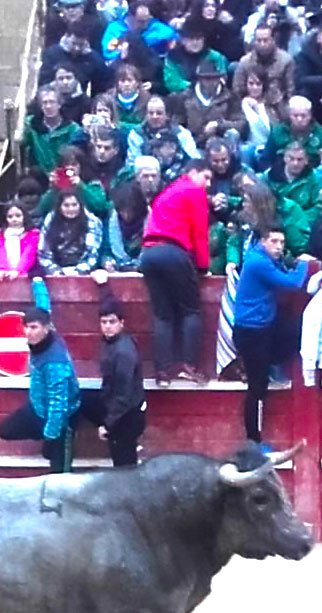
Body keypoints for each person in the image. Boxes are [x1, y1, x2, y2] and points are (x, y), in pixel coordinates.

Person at [231, 226, 311, 444]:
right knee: (257, 387)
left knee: (297, 330)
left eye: (282, 242)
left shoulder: (261, 259)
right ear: (263, 242)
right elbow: (293, 283)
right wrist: (304, 263)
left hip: (261, 327)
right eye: (274, 242)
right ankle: (253, 441)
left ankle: (273, 364)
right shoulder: (258, 262)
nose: (279, 247)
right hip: (252, 332)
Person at [139, 157, 212, 387]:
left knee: (163, 315)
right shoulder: (194, 190)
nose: (208, 184)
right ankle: (188, 366)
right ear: (194, 172)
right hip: (174, 251)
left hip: (149, 253)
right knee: (191, 311)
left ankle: (162, 372)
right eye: (206, 177)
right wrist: (202, 266)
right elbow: (200, 232)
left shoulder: (168, 191)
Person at [0, 307, 81, 473]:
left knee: (60, 474)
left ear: (46, 328)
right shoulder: (49, 336)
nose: (28, 332)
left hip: (62, 420)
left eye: (33, 327)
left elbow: (58, 404)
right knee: (4, 430)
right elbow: (44, 304)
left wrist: (50, 436)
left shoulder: (54, 362)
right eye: (26, 327)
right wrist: (37, 280)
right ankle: (45, 433)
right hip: (38, 408)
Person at [78, 270, 146, 466]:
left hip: (128, 415)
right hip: (118, 403)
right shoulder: (114, 341)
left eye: (112, 322)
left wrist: (107, 425)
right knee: (79, 398)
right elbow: (109, 305)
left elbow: (123, 395)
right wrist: (103, 286)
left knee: (123, 465)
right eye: (104, 322)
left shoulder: (123, 352)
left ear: (121, 324)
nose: (107, 326)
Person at [38, 189, 104, 275]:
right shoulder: (50, 221)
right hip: (56, 271)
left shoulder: (92, 221)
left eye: (74, 205)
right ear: (59, 207)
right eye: (66, 205)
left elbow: (93, 254)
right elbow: (44, 253)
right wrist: (55, 271)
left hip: (85, 271)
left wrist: (79, 272)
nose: (71, 209)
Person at [0, 202, 41, 278]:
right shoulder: (1, 235)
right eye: (10, 217)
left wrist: (18, 270)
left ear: (24, 216)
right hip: (7, 272)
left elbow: (29, 254)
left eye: (18, 216)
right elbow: (0, 252)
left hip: (28, 272)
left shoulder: (33, 234)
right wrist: (1, 269)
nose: (14, 219)